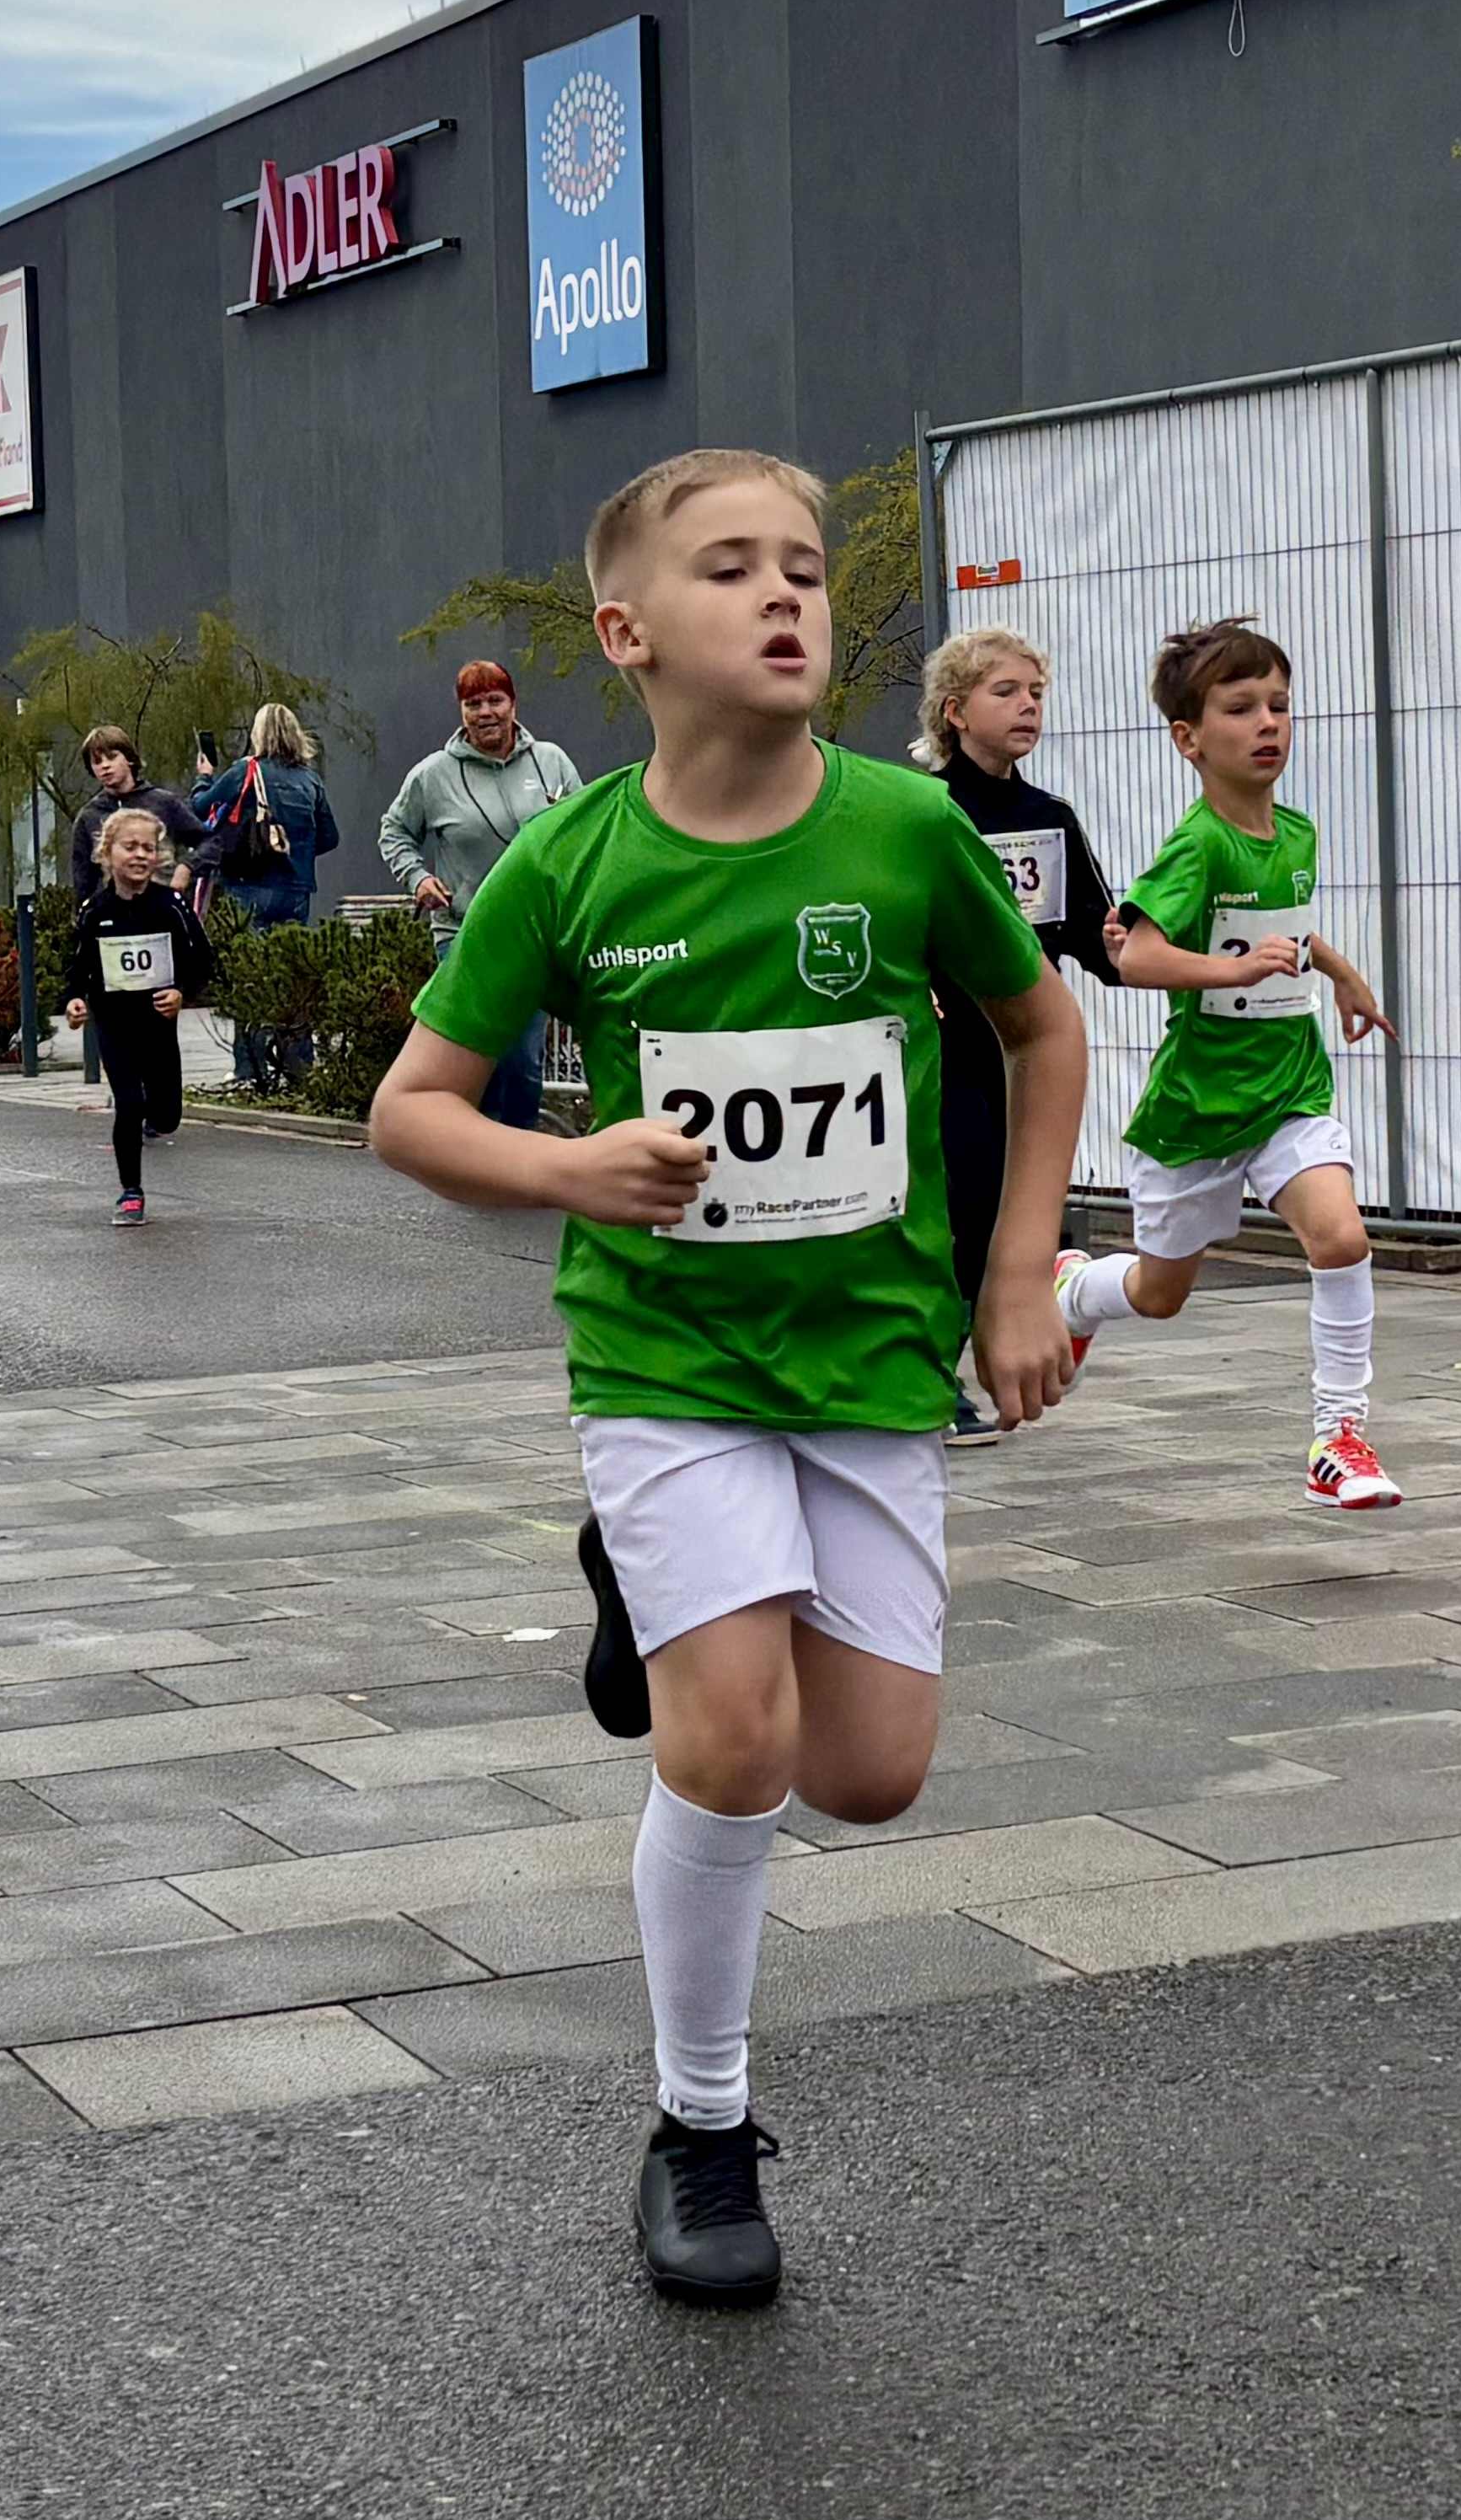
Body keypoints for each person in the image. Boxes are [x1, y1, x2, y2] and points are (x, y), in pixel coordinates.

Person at [369, 449, 1086, 2309]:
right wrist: (569, 1164)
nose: (784, 595)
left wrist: (1015, 1270)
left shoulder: (903, 831)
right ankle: (699, 2125)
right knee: (736, 1744)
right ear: (627, 633)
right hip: (664, 1357)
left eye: (804, 570)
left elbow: (1042, 1025)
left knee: (869, 1775)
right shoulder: (567, 859)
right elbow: (410, 1111)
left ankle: (645, 1590)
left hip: (865, 1360)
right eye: (730, 569)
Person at [1055, 616, 1405, 1511]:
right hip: (1198, 1107)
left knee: (1341, 1237)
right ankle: (1076, 1290)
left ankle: (1337, 1437)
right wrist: (1232, 971)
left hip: (1288, 1089)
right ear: (1189, 738)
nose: (1267, 724)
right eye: (1241, 708)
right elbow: (1136, 956)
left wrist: (1339, 972)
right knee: (1159, 1292)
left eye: (1279, 705)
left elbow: (1283, 932)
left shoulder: (1296, 833)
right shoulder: (1198, 845)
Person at [912, 627, 1121, 1445]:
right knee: (951, 1212)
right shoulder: (925, 812)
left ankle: (982, 1359)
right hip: (943, 1055)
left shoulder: (1048, 818)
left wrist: (1166, 944)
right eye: (1005, 691)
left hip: (1024, 1060)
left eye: (1035, 692)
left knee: (1006, 1211)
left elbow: (1096, 940)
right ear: (955, 712)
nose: (1027, 706)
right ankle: (932, 1376)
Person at [377, 659, 583, 1128]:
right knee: (484, 1052)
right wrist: (417, 878)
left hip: (535, 934)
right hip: (464, 934)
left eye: (495, 700)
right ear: (461, 711)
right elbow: (394, 830)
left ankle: (515, 1148)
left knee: (523, 1061)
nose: (485, 712)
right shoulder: (433, 775)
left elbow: (584, 831)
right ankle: (476, 1146)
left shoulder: (551, 761)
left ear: (513, 704)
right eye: (473, 703)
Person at [62, 805, 212, 1228]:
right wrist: (74, 1001)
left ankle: (155, 1117)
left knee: (166, 1116)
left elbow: (202, 960)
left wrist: (182, 992)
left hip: (158, 1025)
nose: (141, 855)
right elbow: (78, 967)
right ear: (107, 853)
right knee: (129, 1104)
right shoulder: (95, 909)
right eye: (130, 847)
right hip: (114, 1024)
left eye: (149, 848)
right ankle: (131, 1192)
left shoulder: (170, 904)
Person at [193, 702, 340, 1091]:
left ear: (259, 734)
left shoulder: (246, 770)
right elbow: (330, 837)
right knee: (292, 977)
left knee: (253, 977)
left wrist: (204, 778)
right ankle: (300, 1066)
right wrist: (297, 852)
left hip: (249, 885)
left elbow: (200, 809)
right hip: (297, 891)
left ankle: (250, 1068)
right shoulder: (310, 781)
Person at [64, 727, 206, 906]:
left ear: (129, 758)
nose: (105, 766)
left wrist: (187, 867)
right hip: (113, 912)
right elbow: (83, 883)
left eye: (112, 757)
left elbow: (210, 842)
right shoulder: (89, 817)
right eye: (97, 762)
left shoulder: (164, 803)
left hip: (164, 907)